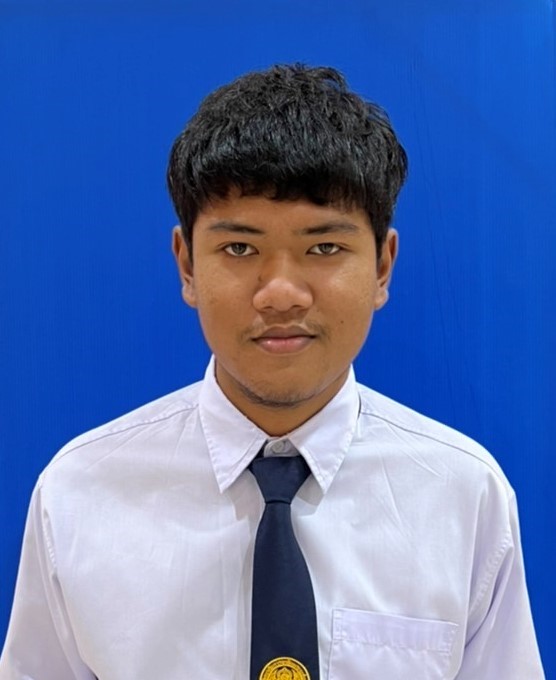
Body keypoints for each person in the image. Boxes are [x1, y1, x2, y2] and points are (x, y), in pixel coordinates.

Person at [0, 64, 544, 679]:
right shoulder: (79, 493)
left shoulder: (463, 494)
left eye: (324, 247)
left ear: (382, 267)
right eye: (239, 248)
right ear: (187, 265)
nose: (281, 293)